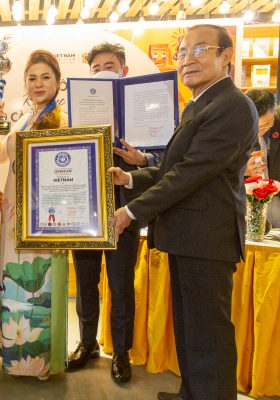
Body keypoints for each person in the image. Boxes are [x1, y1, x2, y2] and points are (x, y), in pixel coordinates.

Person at [109, 24, 258, 400]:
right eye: (182, 53)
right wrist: (130, 177)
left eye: (200, 49)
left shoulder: (232, 106)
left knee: (208, 334)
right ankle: (193, 392)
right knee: (192, 329)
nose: (187, 59)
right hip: (190, 237)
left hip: (208, 240)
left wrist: (131, 211)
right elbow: (172, 168)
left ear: (226, 56)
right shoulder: (200, 104)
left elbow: (190, 173)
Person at [67, 42, 162, 384]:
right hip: (85, 211)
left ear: (124, 71)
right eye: (96, 68)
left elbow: (165, 159)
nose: (102, 71)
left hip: (125, 210)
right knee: (85, 284)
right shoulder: (78, 111)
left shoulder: (143, 110)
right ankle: (87, 343)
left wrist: (142, 159)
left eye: (110, 66)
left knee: (121, 286)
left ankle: (121, 352)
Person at [0, 50, 68, 380]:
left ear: (58, 82)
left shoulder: (65, 120)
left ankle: (42, 362)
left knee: (42, 283)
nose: (38, 83)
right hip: (12, 215)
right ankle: (15, 359)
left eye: (45, 77)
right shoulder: (22, 119)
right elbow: (0, 156)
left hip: (45, 217)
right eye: (32, 78)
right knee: (13, 282)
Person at [244, 88, 280, 228]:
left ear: (274, 111)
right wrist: (244, 170)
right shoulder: (233, 131)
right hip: (246, 198)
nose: (259, 131)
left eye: (266, 125)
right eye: (254, 126)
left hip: (276, 199)